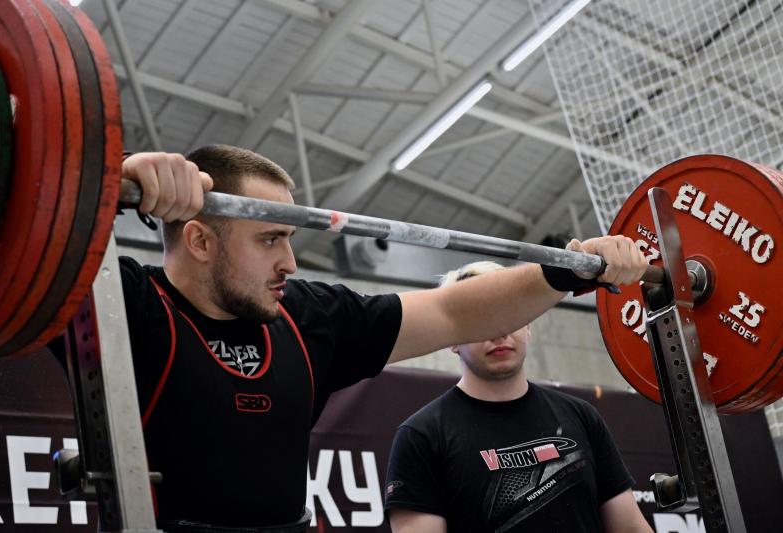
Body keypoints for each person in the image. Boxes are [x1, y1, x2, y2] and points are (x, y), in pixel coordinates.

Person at [118, 146, 648, 532]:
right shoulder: (125, 304)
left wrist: (571, 271)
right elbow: (61, 254)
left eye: (290, 239)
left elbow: (451, 310)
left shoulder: (307, 317)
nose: (290, 262)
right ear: (199, 241)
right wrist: (114, 175)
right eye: (270, 239)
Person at [384, 261, 653, 533]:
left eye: (509, 313)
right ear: (452, 338)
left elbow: (630, 527)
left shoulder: (581, 416)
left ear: (528, 324)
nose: (499, 331)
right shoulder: (422, 436)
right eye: (479, 317)